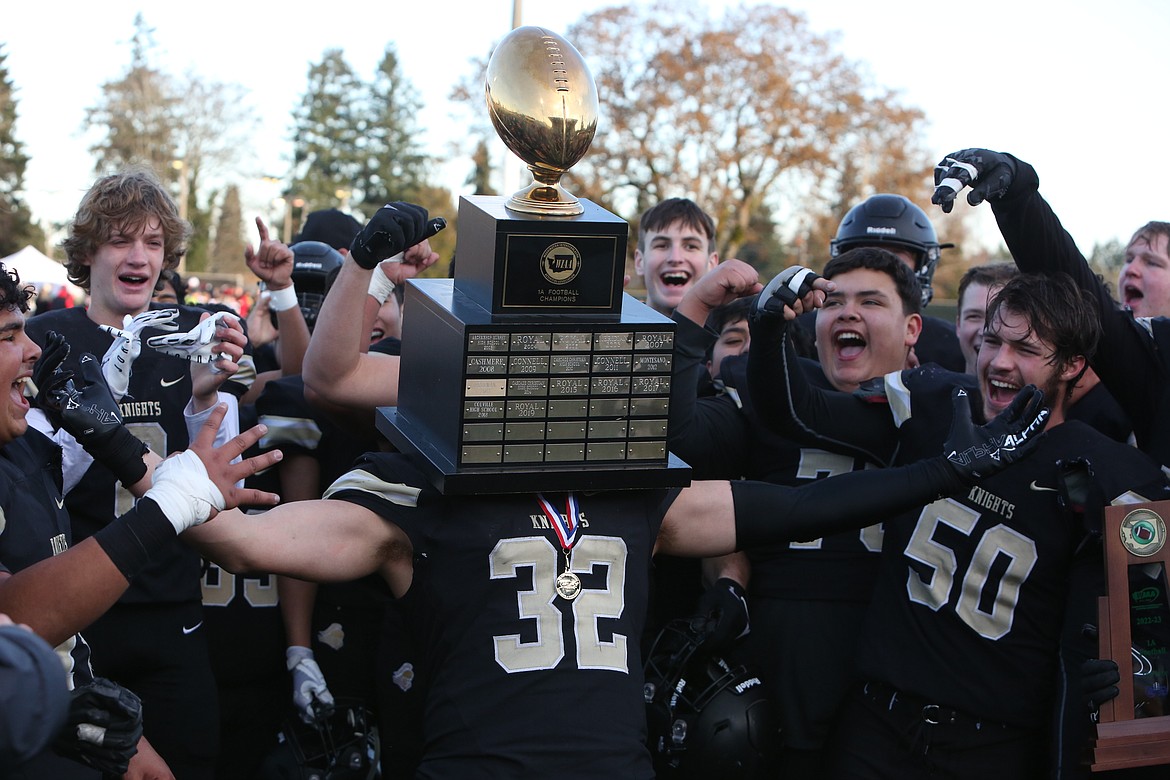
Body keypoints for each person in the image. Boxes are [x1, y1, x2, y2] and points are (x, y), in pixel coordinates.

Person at [179, 201, 1051, 779]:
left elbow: (792, 507)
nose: (556, 361)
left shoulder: (633, 484)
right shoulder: (428, 470)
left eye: (577, 344)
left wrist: (949, 470)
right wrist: (160, 472)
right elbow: (270, 504)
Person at [745, 268, 1170, 778]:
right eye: (992, 340)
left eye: (1027, 350)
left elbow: (1146, 630)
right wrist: (768, 328)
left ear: (1073, 365)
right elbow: (797, 411)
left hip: (992, 747)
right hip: (876, 724)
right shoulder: (936, 405)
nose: (1000, 362)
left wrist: (1137, 676)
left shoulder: (1099, 473)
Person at [23, 167, 255, 779]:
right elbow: (31, 487)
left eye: (153, 243)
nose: (139, 256)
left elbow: (215, 483)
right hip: (78, 604)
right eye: (122, 239)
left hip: (168, 597)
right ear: (88, 251)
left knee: (190, 759)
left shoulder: (183, 336)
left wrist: (208, 398)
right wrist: (91, 420)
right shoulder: (45, 340)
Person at [666, 250, 933, 777]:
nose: (848, 312)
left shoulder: (940, 411)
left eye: (871, 301)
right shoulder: (767, 391)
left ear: (912, 329)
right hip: (769, 685)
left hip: (889, 695)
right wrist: (694, 308)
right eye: (835, 301)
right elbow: (678, 441)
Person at [931, 148, 1166, 467]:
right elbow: (1077, 295)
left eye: (1152, 262)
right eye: (1128, 260)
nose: (1132, 270)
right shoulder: (1154, 363)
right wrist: (1016, 198)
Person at [824, 193, 964, 372]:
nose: (878, 268)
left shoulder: (951, 346)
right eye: (864, 255)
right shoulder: (806, 333)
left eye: (894, 259)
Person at [632, 197, 720, 315]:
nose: (675, 258)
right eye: (662, 245)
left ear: (712, 264)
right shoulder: (608, 330)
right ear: (639, 262)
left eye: (691, 246)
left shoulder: (735, 331)